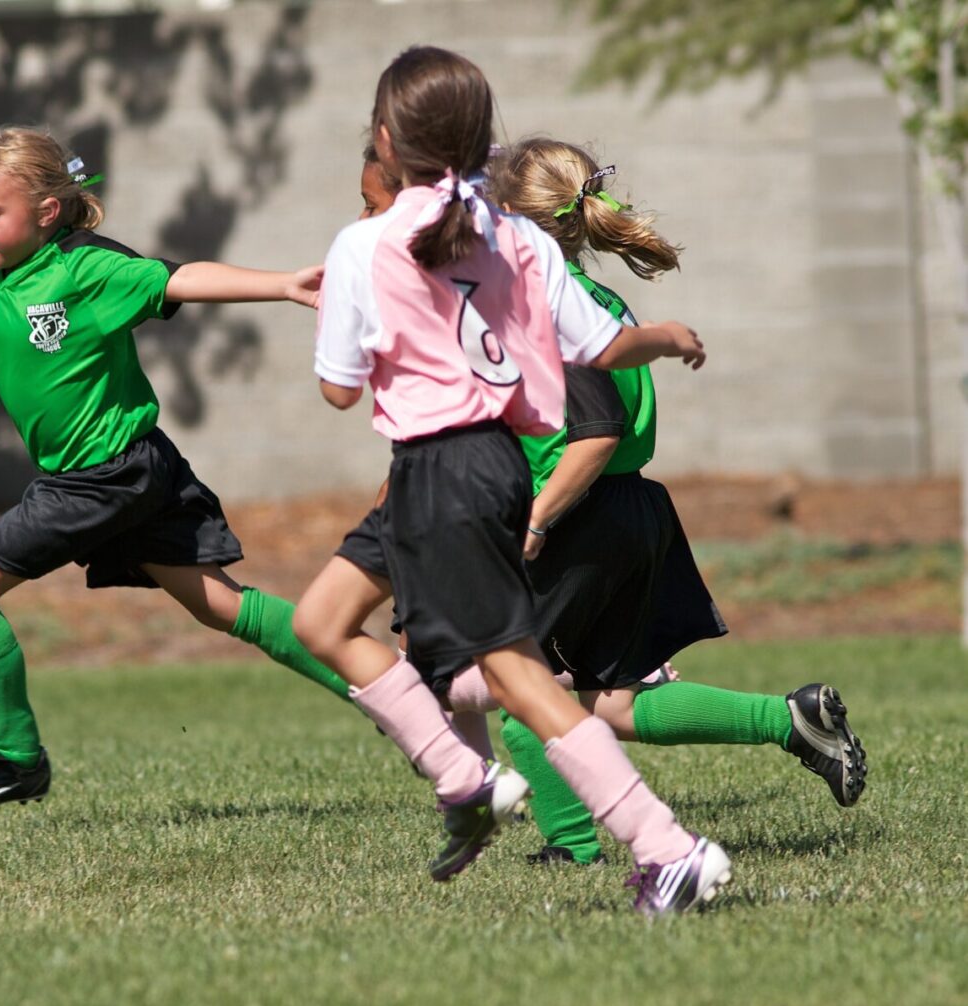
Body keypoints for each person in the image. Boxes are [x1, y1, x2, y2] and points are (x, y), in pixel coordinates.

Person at [292, 46, 727, 917]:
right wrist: (667, 333)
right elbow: (598, 349)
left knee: (521, 677)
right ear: (481, 141)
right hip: (478, 467)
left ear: (386, 140)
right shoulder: (517, 235)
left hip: (440, 471)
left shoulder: (365, 243)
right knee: (324, 619)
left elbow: (339, 390)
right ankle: (464, 780)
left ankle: (666, 847)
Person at [0, 125, 349, 813]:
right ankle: (383, 686)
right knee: (219, 605)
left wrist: (283, 285)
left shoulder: (85, 268)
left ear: (46, 212)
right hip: (132, 469)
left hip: (106, 475)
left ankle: (14, 758)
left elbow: (177, 276)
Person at [470, 136, 868, 866]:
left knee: (523, 693)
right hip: (627, 512)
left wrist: (536, 516)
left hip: (582, 517)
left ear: (512, 224)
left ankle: (573, 850)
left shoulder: (548, 308)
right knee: (611, 702)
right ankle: (791, 721)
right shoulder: (592, 294)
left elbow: (594, 434)